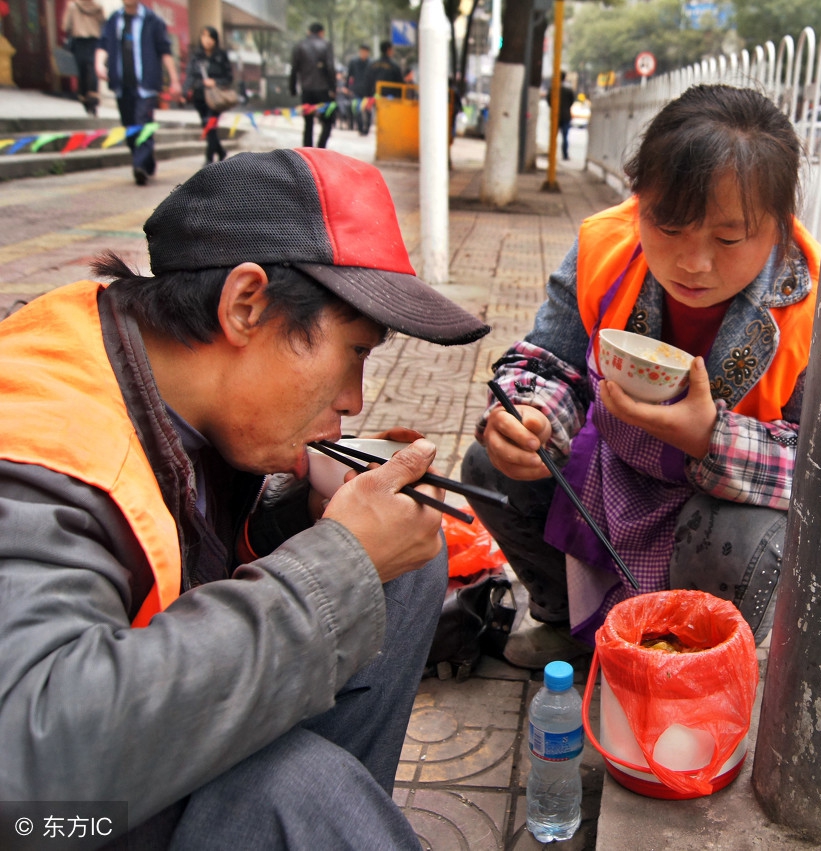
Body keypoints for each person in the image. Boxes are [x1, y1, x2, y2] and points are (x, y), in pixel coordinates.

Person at [0, 148, 491, 846]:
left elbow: (184, 557)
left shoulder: (166, 376)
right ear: (245, 303)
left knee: (405, 559)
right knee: (295, 792)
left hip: (128, 752)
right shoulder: (44, 452)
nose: (352, 400)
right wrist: (332, 567)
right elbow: (29, 760)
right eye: (353, 352)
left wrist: (297, 517)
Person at [461, 85, 820, 669]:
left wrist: (711, 439)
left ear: (778, 226)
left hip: (719, 501)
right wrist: (531, 414)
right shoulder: (608, 245)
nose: (693, 263)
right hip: (612, 469)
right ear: (640, 199)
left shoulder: (815, 306)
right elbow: (551, 360)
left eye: (728, 238)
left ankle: (689, 666)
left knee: (745, 542)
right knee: (490, 467)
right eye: (669, 226)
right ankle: (568, 626)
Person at [95, 0, 181, 186]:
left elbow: (165, 51)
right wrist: (99, 64)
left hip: (146, 86)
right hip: (121, 85)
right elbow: (103, 44)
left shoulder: (152, 21)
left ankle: (140, 166)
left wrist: (174, 81)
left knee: (142, 122)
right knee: (130, 128)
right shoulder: (114, 20)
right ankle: (145, 162)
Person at [183, 25, 232, 165]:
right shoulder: (196, 56)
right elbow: (190, 76)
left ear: (215, 39)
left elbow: (228, 77)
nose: (207, 40)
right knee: (207, 126)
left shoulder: (221, 56)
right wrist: (184, 92)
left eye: (210, 36)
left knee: (211, 124)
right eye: (204, 36)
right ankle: (221, 151)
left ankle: (209, 159)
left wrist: (215, 81)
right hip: (200, 97)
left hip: (216, 99)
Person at [290, 22, 337, 148]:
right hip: (323, 90)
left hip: (307, 90)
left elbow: (294, 69)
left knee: (308, 122)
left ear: (309, 32)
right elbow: (330, 68)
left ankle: (308, 150)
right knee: (327, 120)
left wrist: (293, 88)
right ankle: (321, 147)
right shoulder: (326, 45)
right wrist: (333, 88)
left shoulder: (300, 46)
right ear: (321, 32)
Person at [60, 0, 105, 116]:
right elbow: (103, 24)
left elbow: (65, 26)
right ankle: (93, 98)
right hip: (95, 42)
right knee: (93, 70)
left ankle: (85, 98)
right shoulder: (98, 8)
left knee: (82, 72)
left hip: (79, 43)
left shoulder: (73, 7)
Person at [346, 44, 374, 135]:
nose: (363, 54)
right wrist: (347, 87)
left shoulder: (371, 63)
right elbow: (349, 75)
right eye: (362, 52)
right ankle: (360, 128)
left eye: (365, 52)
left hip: (369, 91)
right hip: (357, 90)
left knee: (368, 110)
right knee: (357, 109)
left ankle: (367, 128)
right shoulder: (353, 62)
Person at [548, 70, 574, 161]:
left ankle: (551, 154)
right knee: (565, 136)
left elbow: (549, 101)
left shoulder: (552, 89)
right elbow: (572, 101)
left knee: (553, 136)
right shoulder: (568, 90)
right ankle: (565, 155)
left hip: (556, 115)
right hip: (566, 116)